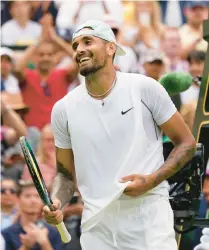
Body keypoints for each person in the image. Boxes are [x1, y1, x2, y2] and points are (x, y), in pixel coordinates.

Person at [43, 20, 196, 250]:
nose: (79, 49)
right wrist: (56, 201)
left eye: (87, 41)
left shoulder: (146, 88)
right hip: (98, 227)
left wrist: (151, 180)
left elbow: (186, 143)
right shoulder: (63, 109)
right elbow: (64, 175)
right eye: (75, 45)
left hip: (149, 220)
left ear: (110, 48)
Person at [2, 180, 62, 250]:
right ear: (18, 199)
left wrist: (45, 243)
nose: (33, 200)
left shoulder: (52, 232)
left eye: (37, 196)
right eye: (28, 196)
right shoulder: (7, 233)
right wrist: (25, 246)